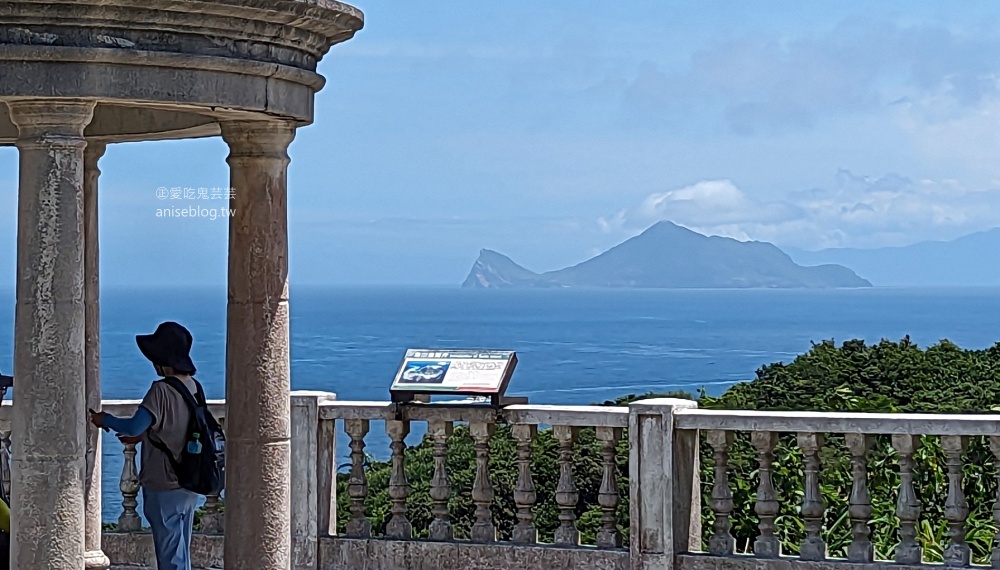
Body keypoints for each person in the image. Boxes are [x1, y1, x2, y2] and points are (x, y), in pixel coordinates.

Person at [90, 321, 202, 570]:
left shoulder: (161, 391)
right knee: (181, 548)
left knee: (170, 556)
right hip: (189, 480)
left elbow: (133, 427)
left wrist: (103, 420)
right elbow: (179, 427)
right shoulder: (195, 387)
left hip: (164, 482)